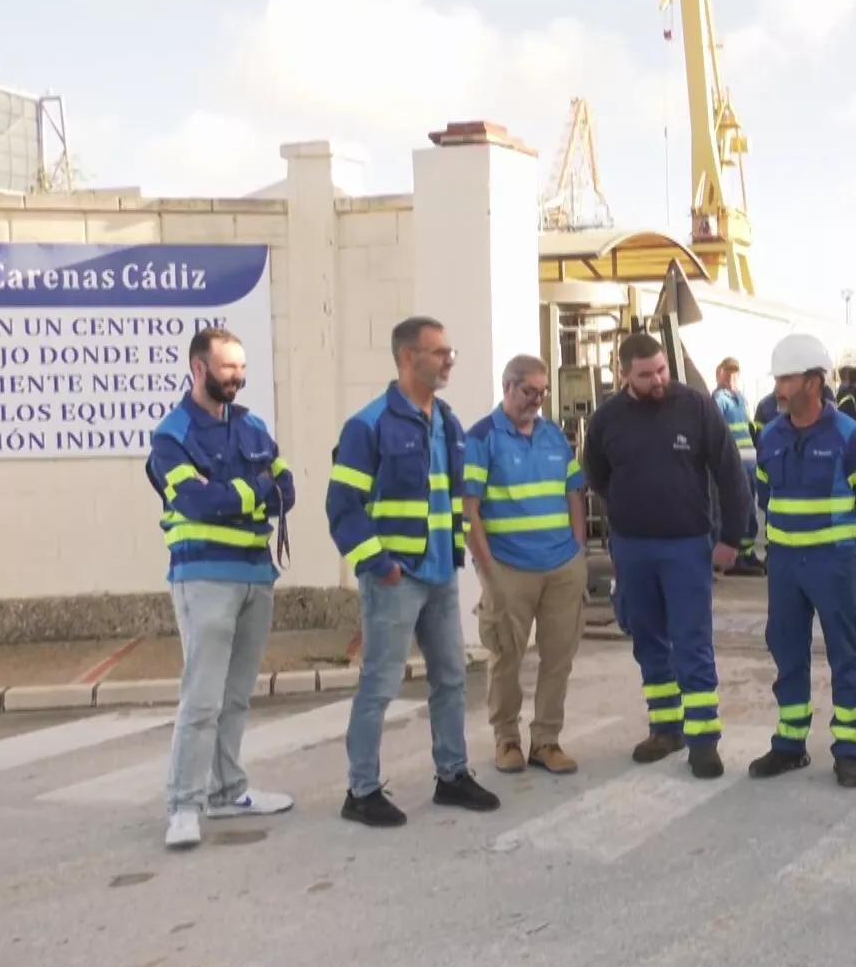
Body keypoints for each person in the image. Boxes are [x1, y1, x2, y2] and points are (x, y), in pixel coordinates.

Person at [328, 316, 500, 827]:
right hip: (395, 581)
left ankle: (452, 776)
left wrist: (456, 562)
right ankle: (361, 790)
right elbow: (342, 504)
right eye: (438, 352)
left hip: (441, 575)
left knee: (451, 678)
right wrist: (379, 565)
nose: (448, 359)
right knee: (379, 685)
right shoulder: (370, 423)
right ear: (408, 358)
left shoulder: (447, 421)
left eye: (450, 352)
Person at [147, 326, 297, 850]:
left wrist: (239, 492)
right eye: (227, 367)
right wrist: (257, 491)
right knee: (202, 699)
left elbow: (288, 489)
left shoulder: (252, 426)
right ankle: (184, 805)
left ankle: (228, 791)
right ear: (198, 369)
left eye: (241, 366)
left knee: (235, 697)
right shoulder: (172, 435)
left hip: (256, 574)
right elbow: (196, 502)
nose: (238, 376)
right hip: (204, 575)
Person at [583, 332, 748, 779]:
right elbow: (596, 475)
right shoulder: (606, 420)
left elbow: (731, 472)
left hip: (687, 546)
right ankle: (665, 727)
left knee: (692, 641)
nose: (658, 380)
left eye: (661, 370)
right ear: (624, 375)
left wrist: (731, 537)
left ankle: (703, 740)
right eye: (645, 374)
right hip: (633, 548)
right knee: (648, 638)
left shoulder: (695, 406)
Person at [748, 334, 856, 788]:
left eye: (786, 379)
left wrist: (851, 541)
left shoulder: (851, 436)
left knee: (843, 654)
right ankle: (790, 744)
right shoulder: (770, 435)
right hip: (785, 565)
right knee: (787, 651)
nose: (778, 389)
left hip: (832, 562)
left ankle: (849, 749)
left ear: (813, 382)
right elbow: (765, 494)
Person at [462, 354, 590, 776]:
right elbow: (469, 510)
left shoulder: (553, 435)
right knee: (506, 658)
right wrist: (488, 572)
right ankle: (507, 740)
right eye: (528, 391)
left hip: (561, 567)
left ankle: (546, 741)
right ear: (507, 387)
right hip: (509, 569)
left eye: (541, 392)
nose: (536, 400)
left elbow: (575, 492)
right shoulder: (481, 438)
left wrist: (578, 550)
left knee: (559, 658)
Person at [711, 357, 766, 577]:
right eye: (728, 373)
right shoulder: (718, 399)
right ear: (719, 375)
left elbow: (750, 428)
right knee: (739, 508)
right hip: (734, 464)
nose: (732, 377)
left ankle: (747, 553)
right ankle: (736, 558)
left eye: (736, 374)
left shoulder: (741, 399)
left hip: (749, 462)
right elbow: (716, 431)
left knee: (750, 509)